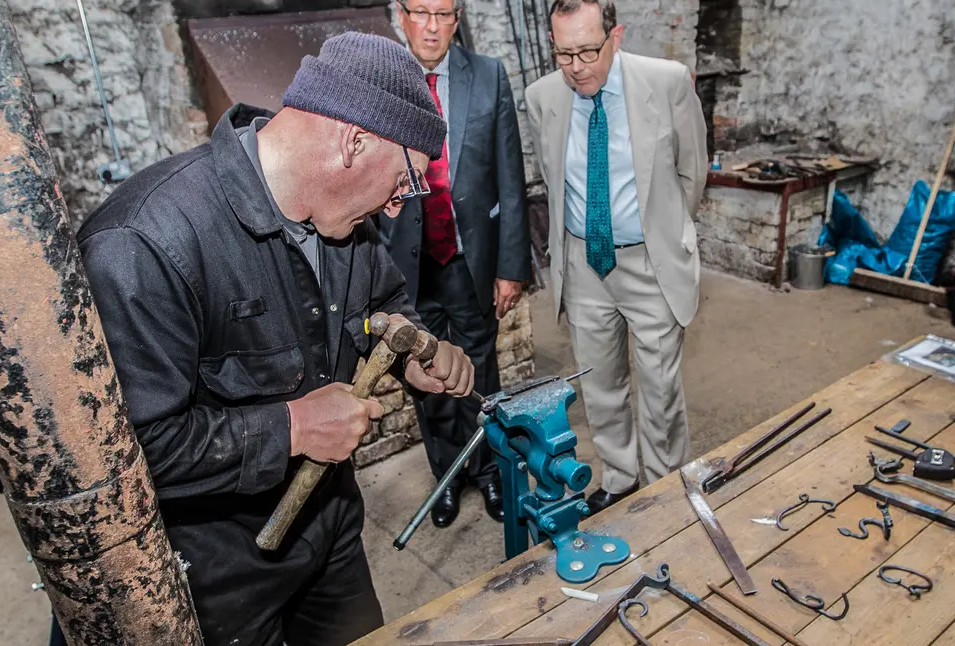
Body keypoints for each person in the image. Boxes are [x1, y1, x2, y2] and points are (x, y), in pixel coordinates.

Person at [74, 32, 475, 646]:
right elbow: (126, 453)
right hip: (220, 567)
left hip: (330, 528)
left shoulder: (346, 223)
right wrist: (290, 428)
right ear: (354, 140)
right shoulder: (144, 245)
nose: (399, 207)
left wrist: (409, 349)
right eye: (406, 180)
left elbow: (384, 302)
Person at [525, 0, 708, 514]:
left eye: (588, 50)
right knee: (600, 385)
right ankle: (622, 476)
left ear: (616, 35)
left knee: (660, 389)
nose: (577, 67)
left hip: (649, 261)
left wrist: (665, 232)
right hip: (584, 263)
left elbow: (692, 172)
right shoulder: (542, 97)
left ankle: (666, 484)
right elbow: (555, 179)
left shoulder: (667, 82)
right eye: (564, 55)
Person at [379, 0, 530, 528]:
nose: (432, 26)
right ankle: (448, 475)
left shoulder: (488, 75)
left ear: (458, 17)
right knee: (427, 377)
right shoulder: (381, 76)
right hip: (409, 268)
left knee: (480, 372)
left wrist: (512, 266)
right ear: (400, 14)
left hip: (471, 259)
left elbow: (511, 179)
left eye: (444, 14)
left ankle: (488, 472)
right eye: (420, 12)